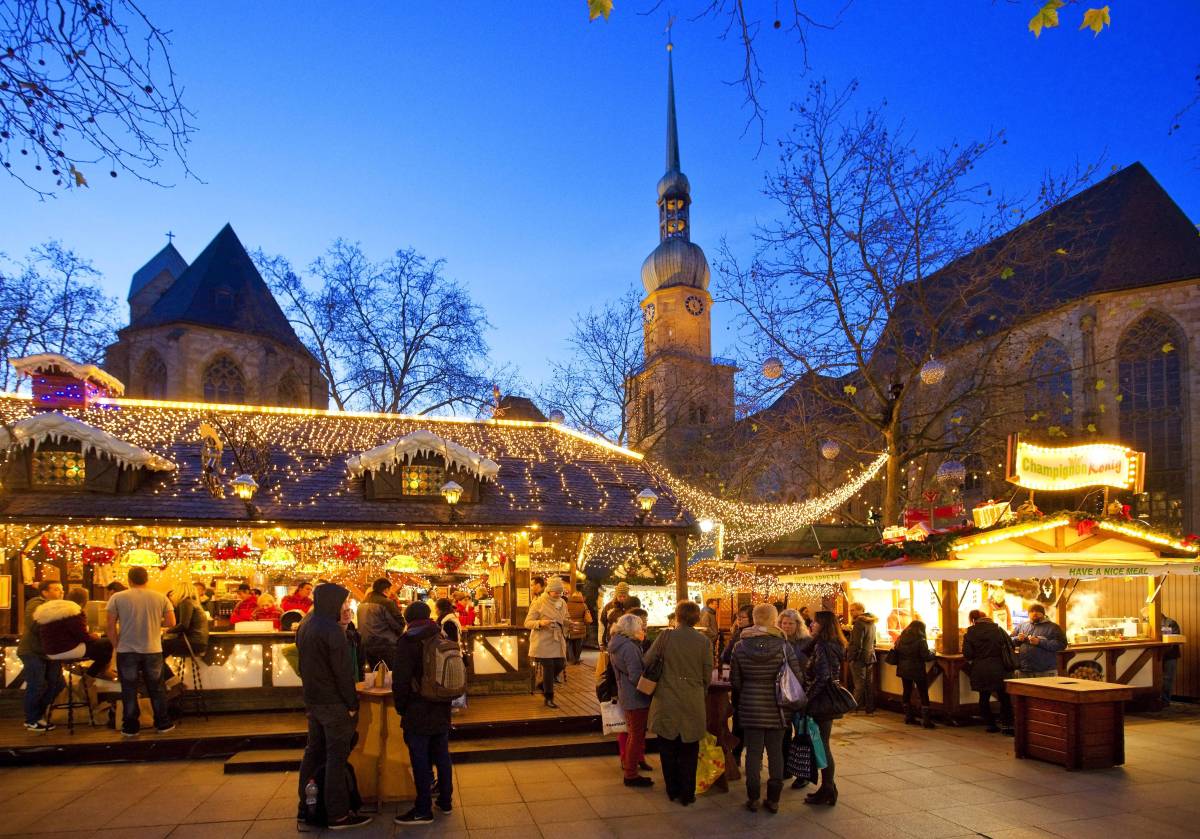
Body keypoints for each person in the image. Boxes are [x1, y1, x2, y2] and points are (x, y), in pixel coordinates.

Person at [296, 582, 371, 831]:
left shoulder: (307, 625)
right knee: (336, 758)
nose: (347, 606)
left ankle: (307, 805)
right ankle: (338, 814)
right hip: (334, 703)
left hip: (313, 699)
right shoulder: (332, 631)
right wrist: (351, 704)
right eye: (344, 602)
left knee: (313, 751)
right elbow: (342, 673)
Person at [731, 603, 803, 813]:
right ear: (774, 620)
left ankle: (753, 798)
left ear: (754, 619)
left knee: (753, 753)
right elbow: (797, 677)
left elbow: (736, 681)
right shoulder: (783, 647)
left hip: (750, 706)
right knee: (776, 753)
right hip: (778, 708)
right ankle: (773, 799)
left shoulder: (740, 646)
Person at [644, 600, 712, 807]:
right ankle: (687, 792)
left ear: (677, 616)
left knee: (667, 746)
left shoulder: (666, 636)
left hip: (667, 697)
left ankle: (672, 789)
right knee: (690, 748)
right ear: (696, 618)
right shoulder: (703, 641)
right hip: (692, 698)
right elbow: (707, 672)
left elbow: (647, 661)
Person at [392, 601, 454, 825]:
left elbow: (400, 679)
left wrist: (401, 707)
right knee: (442, 755)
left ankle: (422, 809)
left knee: (419, 758)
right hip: (441, 705)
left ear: (408, 620)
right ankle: (445, 801)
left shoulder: (408, 641)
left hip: (418, 707)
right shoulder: (441, 634)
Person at [106, 567, 176, 737]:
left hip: (127, 649)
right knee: (157, 688)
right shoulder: (160, 597)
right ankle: (163, 723)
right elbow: (171, 622)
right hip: (152, 649)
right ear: (147, 579)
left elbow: (109, 626)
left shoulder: (117, 597)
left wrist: (117, 644)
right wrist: (153, 622)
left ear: (129, 580)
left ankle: (130, 726)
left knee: (129, 688)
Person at [803, 611, 847, 807]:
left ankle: (828, 788)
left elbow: (822, 677)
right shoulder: (831, 643)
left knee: (822, 745)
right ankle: (827, 787)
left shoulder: (823, 645)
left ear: (823, 625)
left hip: (822, 701)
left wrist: (806, 698)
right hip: (825, 699)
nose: (811, 625)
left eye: (814, 622)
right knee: (822, 744)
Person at [608, 613, 654, 787]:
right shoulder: (629, 647)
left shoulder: (618, 644)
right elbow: (636, 675)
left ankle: (630, 769)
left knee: (632, 734)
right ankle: (631, 774)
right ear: (632, 628)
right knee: (636, 735)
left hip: (626, 695)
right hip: (635, 697)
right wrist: (651, 687)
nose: (643, 628)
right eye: (641, 625)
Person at [37, 586, 116, 679]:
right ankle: (90, 677)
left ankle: (99, 671)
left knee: (103, 647)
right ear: (84, 601)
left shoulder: (56, 608)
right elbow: (83, 637)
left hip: (50, 648)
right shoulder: (73, 611)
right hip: (65, 649)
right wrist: (95, 636)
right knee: (108, 643)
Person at [17, 579, 66, 732]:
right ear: (45, 592)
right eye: (57, 589)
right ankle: (32, 719)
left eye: (62, 589)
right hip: (32, 651)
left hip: (50, 653)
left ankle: (37, 715)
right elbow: (35, 624)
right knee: (37, 684)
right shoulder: (35, 602)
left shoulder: (62, 606)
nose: (61, 592)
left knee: (58, 683)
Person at [962, 609, 1014, 734]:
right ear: (988, 618)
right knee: (1004, 697)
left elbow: (967, 654)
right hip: (999, 667)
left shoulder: (970, 633)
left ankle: (991, 724)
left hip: (980, 668)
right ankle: (1008, 726)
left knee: (983, 697)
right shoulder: (998, 630)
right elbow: (1011, 644)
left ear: (973, 620)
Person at [777, 608, 810, 789]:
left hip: (800, 692)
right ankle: (785, 768)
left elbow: (808, 667)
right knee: (784, 732)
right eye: (784, 623)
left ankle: (802, 773)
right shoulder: (777, 641)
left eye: (790, 623)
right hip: (782, 693)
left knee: (801, 732)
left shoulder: (806, 642)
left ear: (798, 624)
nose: (787, 626)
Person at [525, 577, 569, 708]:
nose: (558, 595)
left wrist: (568, 623)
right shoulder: (539, 602)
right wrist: (540, 623)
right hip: (542, 640)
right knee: (549, 668)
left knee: (561, 664)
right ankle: (549, 697)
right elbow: (527, 623)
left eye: (560, 592)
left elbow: (565, 618)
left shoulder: (562, 603)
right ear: (549, 591)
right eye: (556, 592)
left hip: (557, 639)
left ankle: (543, 685)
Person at [894, 620, 936, 729]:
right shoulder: (921, 640)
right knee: (923, 693)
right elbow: (926, 656)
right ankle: (926, 721)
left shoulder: (901, 638)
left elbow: (897, 651)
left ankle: (908, 717)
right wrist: (933, 652)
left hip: (903, 669)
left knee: (907, 691)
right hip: (917, 669)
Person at [357, 578, 406, 670]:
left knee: (374, 674)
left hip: (366, 645)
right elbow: (399, 623)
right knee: (389, 673)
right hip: (385, 645)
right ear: (386, 589)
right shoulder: (386, 603)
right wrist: (399, 635)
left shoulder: (361, 604)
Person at [1011, 603, 1066, 678]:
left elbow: (1061, 644)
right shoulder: (1022, 626)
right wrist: (1018, 639)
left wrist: (1039, 642)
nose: (1034, 613)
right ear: (1028, 614)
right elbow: (1009, 641)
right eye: (1032, 611)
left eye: (1038, 611)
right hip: (1024, 671)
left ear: (1043, 614)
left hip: (1045, 671)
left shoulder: (1053, 627)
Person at [845, 602, 878, 715]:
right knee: (868, 684)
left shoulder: (859, 623)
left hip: (859, 658)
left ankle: (853, 707)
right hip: (869, 656)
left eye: (853, 610)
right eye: (850, 610)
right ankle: (870, 708)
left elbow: (857, 643)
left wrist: (851, 657)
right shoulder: (871, 622)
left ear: (861, 610)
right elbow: (874, 641)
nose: (851, 612)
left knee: (859, 684)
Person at [162, 586, 209, 661]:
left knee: (157, 653)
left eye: (175, 592)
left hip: (192, 643)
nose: (173, 595)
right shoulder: (193, 602)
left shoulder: (186, 602)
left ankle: (162, 672)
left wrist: (166, 631)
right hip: (199, 642)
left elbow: (183, 625)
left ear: (180, 592)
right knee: (157, 656)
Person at [565, 590, 593, 665]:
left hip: (570, 626)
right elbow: (586, 616)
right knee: (578, 644)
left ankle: (571, 659)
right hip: (580, 627)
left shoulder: (567, 604)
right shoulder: (584, 605)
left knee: (570, 643)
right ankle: (577, 659)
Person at [600, 581, 631, 647]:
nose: (622, 598)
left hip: (628, 639)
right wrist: (602, 641)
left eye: (624, 596)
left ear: (627, 595)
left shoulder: (631, 606)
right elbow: (603, 623)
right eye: (620, 596)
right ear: (616, 595)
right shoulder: (609, 606)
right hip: (612, 638)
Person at [1161, 613, 1182, 705]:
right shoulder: (1151, 622)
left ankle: (1165, 700)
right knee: (1158, 678)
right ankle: (1160, 699)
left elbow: (1175, 639)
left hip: (1170, 654)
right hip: (1158, 653)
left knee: (1167, 678)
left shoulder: (1170, 623)